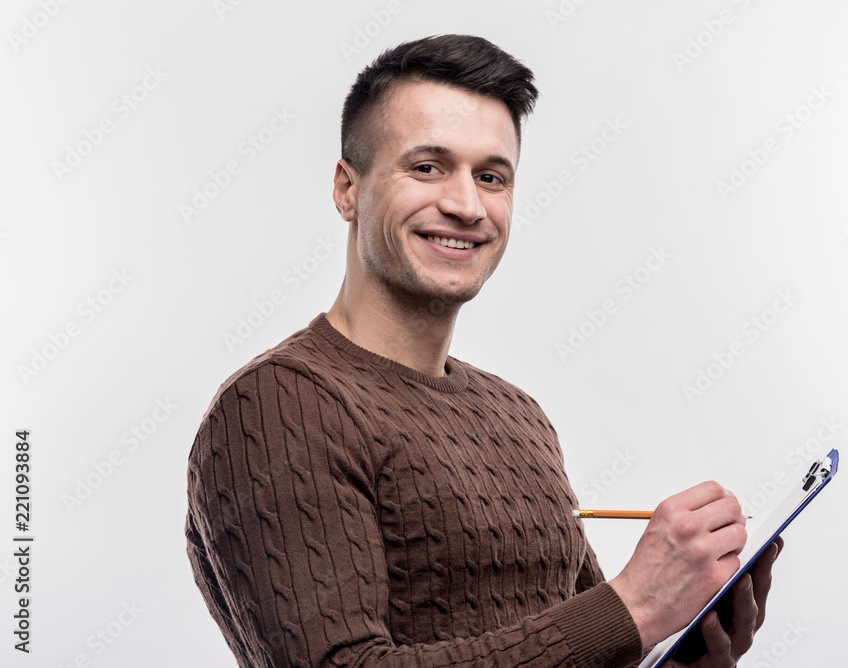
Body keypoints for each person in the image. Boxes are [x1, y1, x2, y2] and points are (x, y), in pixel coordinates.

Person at [184, 33, 782, 668]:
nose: (466, 205)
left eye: (491, 177)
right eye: (427, 167)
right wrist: (634, 605)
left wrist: (683, 652)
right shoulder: (277, 406)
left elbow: (590, 649)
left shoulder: (519, 415)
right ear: (346, 189)